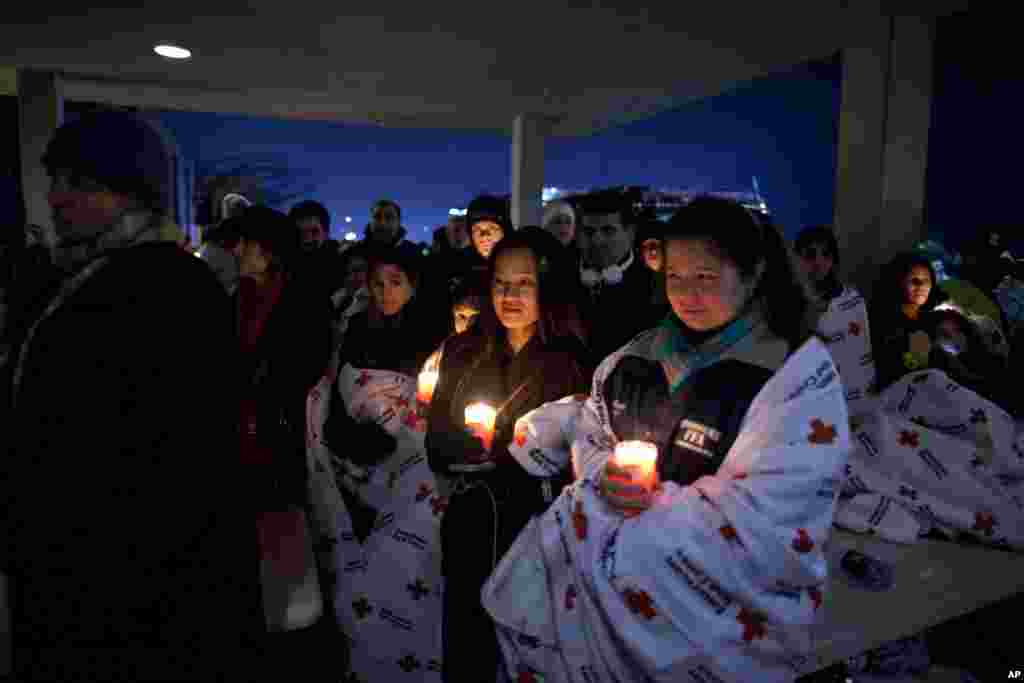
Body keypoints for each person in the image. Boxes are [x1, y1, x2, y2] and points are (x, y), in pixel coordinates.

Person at [482, 197, 843, 683]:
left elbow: (775, 511)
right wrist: (604, 477)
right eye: (676, 278)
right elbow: (595, 432)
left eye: (706, 279)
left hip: (707, 608)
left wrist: (643, 520)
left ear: (753, 276)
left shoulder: (792, 372)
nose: (688, 294)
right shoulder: (635, 359)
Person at [2, 111, 263, 681]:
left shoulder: (168, 288)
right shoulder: (82, 277)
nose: (57, 197)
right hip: (81, 560)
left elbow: (175, 455)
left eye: (79, 183)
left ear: (130, 194)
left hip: (129, 577)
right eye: (56, 181)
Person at [425, 227, 590, 683]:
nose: (510, 295)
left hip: (533, 533)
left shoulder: (570, 360)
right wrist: (468, 448)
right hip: (468, 524)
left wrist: (502, 451)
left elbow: (568, 454)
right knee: (467, 640)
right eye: (501, 283)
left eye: (525, 283)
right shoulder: (464, 348)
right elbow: (437, 432)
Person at [795, 224, 875, 410]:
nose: (819, 261)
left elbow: (860, 355)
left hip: (852, 400)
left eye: (826, 254)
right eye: (810, 254)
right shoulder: (791, 301)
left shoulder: (852, 299)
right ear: (797, 258)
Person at [575, 194, 662, 363]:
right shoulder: (560, 280)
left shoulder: (655, 286)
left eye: (608, 231)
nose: (597, 240)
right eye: (589, 231)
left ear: (630, 233)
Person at [869, 253, 949, 391]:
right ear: (900, 281)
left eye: (926, 280)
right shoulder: (884, 322)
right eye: (914, 280)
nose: (921, 286)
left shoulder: (933, 319)